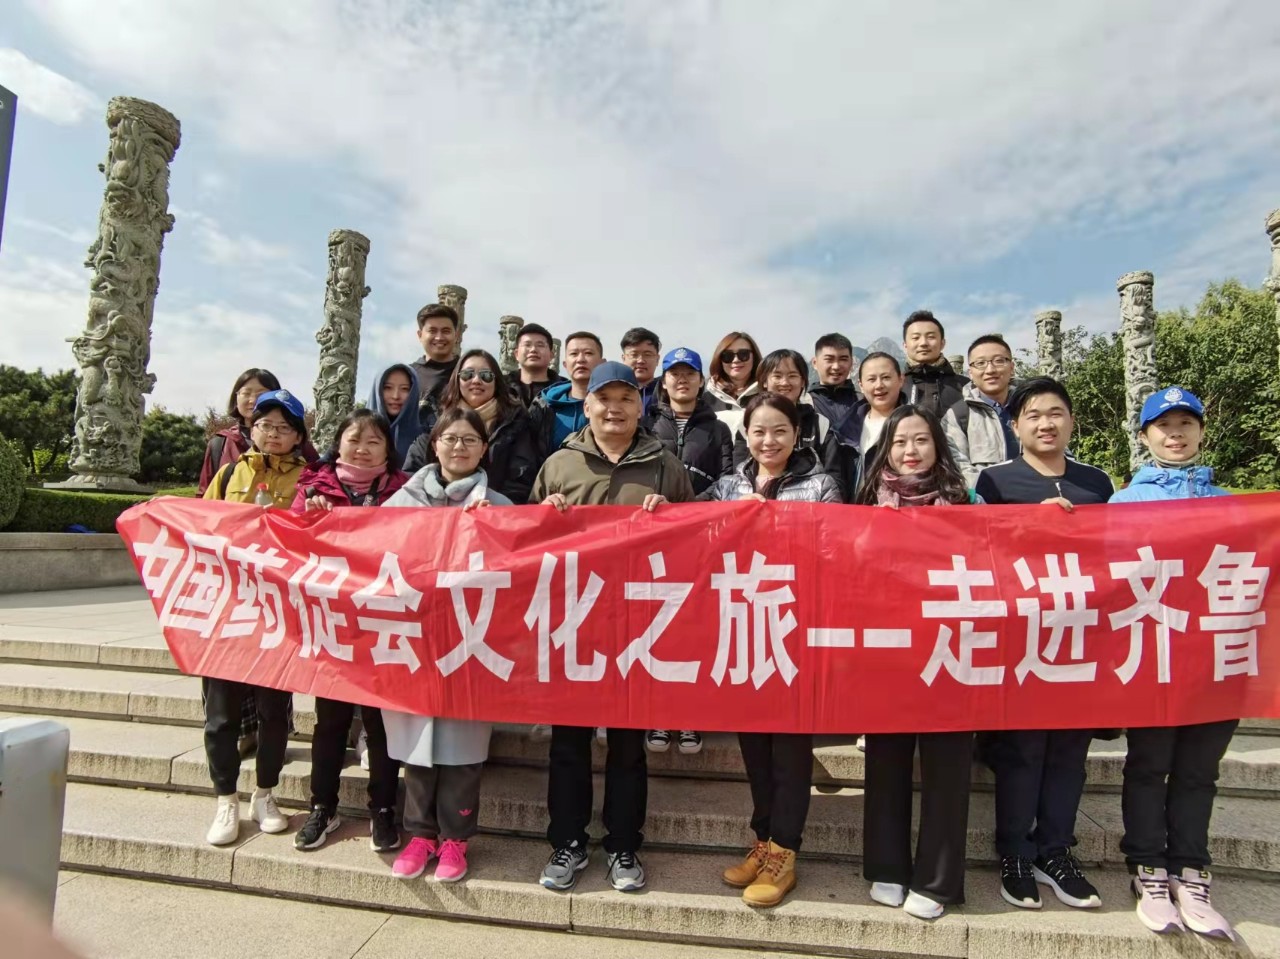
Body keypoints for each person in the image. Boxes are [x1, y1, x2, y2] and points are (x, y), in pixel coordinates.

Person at [531, 361, 694, 894]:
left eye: (627, 398)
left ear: (641, 407)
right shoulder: (560, 465)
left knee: (628, 746)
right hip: (574, 625)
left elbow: (697, 543)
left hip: (637, 628)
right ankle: (567, 842)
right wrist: (544, 514)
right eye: (605, 399)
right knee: (568, 745)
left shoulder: (665, 465)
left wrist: (672, 516)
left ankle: (624, 845)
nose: (615, 408)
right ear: (588, 406)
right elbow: (525, 548)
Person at [974, 377, 1113, 912]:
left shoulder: (1096, 482)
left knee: (1070, 752)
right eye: (1033, 415)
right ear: (1016, 426)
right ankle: (1014, 852)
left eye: (1055, 413)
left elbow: (1117, 555)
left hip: (1081, 636)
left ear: (1071, 421)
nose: (1046, 423)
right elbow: (981, 552)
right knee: (1022, 749)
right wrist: (1032, 527)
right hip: (1023, 637)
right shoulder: (996, 480)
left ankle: (1055, 851)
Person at [700, 393, 839, 908]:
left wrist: (777, 524)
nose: (769, 440)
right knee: (755, 748)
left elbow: (835, 550)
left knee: (791, 750)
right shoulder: (727, 485)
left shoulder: (821, 485)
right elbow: (692, 533)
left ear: (797, 435)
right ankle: (762, 841)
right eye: (759, 430)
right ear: (746, 434)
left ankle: (785, 852)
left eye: (780, 430)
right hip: (744, 628)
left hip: (796, 630)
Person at [1110, 387, 1236, 939]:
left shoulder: (1232, 504)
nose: (1175, 434)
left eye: (1186, 423)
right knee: (1148, 762)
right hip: (1154, 655)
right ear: (1145, 436)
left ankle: (1192, 870)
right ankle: (1148, 869)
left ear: (1202, 431)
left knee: (1199, 770)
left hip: (1216, 657)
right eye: (1164, 426)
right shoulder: (1123, 503)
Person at [854, 405, 978, 921]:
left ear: (937, 445)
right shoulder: (867, 501)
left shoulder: (967, 500)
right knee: (886, 759)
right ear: (886, 449)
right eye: (900, 441)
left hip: (951, 644)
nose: (910, 450)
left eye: (921, 440)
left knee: (948, 765)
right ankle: (887, 867)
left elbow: (1000, 553)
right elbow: (847, 565)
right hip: (890, 648)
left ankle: (938, 879)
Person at [381, 407, 513, 883]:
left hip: (470, 640)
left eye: (470, 440)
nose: (459, 447)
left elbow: (518, 573)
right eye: (450, 438)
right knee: (416, 742)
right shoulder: (400, 502)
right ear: (434, 444)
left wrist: (492, 529)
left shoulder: (499, 504)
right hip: (415, 641)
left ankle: (456, 839)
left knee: (463, 745)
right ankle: (419, 835)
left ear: (484, 449)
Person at [288, 409, 409, 855]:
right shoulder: (313, 488)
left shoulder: (404, 490)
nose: (362, 448)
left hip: (383, 622)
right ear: (337, 443)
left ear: (387, 449)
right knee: (331, 723)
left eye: (374, 441)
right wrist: (309, 518)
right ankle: (323, 806)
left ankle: (383, 809)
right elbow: (287, 544)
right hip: (333, 624)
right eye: (354, 439)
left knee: (380, 725)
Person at [201, 389, 310, 846]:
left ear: (299, 436)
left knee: (273, 712)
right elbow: (201, 527)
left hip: (280, 612)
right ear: (251, 428)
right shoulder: (229, 473)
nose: (274, 434)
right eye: (266, 425)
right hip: (229, 607)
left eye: (284, 427)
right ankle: (225, 799)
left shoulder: (310, 480)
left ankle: (265, 793)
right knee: (220, 714)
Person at [641, 346, 732, 756]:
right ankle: (659, 713)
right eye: (674, 373)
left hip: (701, 537)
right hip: (654, 538)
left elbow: (727, 478)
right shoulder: (646, 423)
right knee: (658, 622)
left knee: (695, 625)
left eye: (689, 373)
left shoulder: (718, 428)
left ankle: (691, 714)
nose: (681, 380)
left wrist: (692, 509)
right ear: (664, 381)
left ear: (700, 380)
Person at [404, 349, 538, 504]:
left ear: (497, 382)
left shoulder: (516, 424)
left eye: (486, 376)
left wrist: (492, 505)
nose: (476, 381)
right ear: (457, 380)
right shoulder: (435, 421)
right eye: (467, 374)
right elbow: (412, 482)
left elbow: (521, 481)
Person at [730, 350, 843, 488]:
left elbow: (835, 479)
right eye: (777, 376)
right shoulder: (747, 424)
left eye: (792, 376)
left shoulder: (820, 424)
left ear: (803, 382)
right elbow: (739, 476)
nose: (784, 382)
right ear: (764, 381)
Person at [942, 335, 1019, 486]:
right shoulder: (957, 415)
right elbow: (958, 468)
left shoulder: (1030, 407)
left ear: (1011, 367)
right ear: (970, 372)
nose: (990, 370)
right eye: (980, 363)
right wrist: (996, 491)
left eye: (999, 361)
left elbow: (1055, 454)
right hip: (984, 498)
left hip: (1037, 496)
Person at [529, 331, 604, 459]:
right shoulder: (544, 406)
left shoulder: (613, 407)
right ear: (565, 364)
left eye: (588, 353)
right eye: (574, 354)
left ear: (602, 363)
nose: (580, 359)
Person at [901, 310, 967, 418]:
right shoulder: (895, 387)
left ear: (942, 343)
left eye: (931, 337)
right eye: (915, 338)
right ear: (905, 345)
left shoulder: (966, 386)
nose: (923, 343)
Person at [410, 303, 461, 429]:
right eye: (432, 331)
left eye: (446, 331)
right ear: (420, 335)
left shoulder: (468, 373)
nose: (439, 337)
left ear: (456, 335)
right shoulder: (408, 375)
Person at [367, 364, 423, 467]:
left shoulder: (423, 440)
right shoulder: (355, 431)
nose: (395, 396)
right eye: (388, 388)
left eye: (404, 389)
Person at [704, 332, 762, 430]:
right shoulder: (703, 396)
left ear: (754, 356)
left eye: (743, 354)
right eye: (728, 356)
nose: (736, 360)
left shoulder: (767, 394)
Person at [809, 333, 859, 430]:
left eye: (843, 359)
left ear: (851, 363)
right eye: (829, 359)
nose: (836, 367)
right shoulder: (804, 404)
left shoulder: (863, 403)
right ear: (815, 363)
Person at [513, 323, 566, 408]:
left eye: (540, 345)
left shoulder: (566, 391)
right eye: (527, 345)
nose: (533, 349)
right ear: (516, 354)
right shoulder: (499, 387)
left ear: (551, 355)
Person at [620, 327, 662, 414]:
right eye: (634, 355)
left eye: (647, 355)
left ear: (657, 359)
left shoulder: (667, 392)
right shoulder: (614, 392)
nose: (641, 361)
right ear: (623, 359)